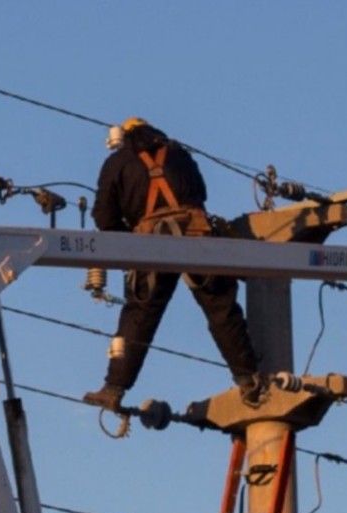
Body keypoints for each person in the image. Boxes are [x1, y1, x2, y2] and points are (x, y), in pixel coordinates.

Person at [83, 117, 261, 412]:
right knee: (221, 308)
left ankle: (114, 389)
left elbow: (103, 217)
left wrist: (128, 240)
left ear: (125, 137)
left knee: (140, 314)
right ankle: (249, 380)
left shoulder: (118, 162)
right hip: (197, 235)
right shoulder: (180, 154)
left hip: (150, 244)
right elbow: (200, 194)